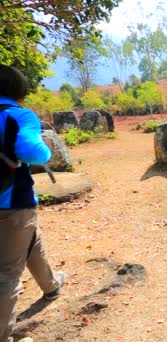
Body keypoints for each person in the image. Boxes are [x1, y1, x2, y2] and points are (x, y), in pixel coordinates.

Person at [0, 65, 65, 342]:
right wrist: (46, 148)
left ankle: (50, 285)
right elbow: (34, 151)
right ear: (19, 91)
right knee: (7, 273)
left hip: (14, 209)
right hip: (11, 202)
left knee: (31, 240)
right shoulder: (19, 115)